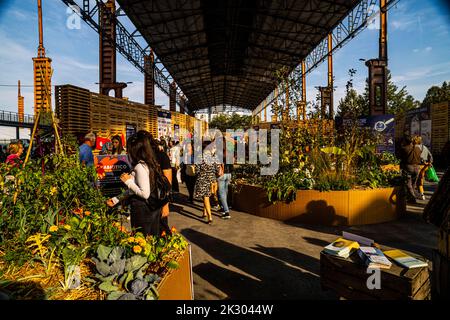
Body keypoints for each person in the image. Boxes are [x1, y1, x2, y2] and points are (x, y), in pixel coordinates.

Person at [106, 134, 168, 236]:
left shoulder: (140, 167)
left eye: (129, 148)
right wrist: (117, 199)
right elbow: (134, 189)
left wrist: (128, 181)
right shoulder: (148, 163)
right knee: (150, 241)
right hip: (151, 209)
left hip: (143, 211)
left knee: (141, 241)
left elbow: (144, 193)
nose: (127, 151)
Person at [136, 130, 172, 232]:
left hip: (159, 202)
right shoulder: (140, 157)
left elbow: (167, 183)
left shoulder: (161, 156)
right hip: (143, 205)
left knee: (162, 232)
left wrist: (165, 205)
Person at [194, 141, 221, 224]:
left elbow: (197, 170)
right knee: (206, 197)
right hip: (212, 179)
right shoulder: (214, 157)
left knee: (205, 197)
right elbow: (217, 169)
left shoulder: (199, 157)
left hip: (202, 180)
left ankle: (210, 217)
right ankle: (205, 213)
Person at [399, 135, 422, 203]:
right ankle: (410, 197)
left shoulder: (404, 148)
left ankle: (412, 198)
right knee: (413, 184)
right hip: (417, 167)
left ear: (405, 141)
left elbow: (400, 157)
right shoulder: (418, 148)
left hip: (408, 167)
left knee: (408, 184)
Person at [217, 137, 234, 219]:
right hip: (229, 174)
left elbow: (220, 163)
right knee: (225, 192)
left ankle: (226, 212)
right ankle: (224, 208)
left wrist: (221, 171)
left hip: (222, 174)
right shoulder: (229, 150)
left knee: (221, 193)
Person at [413, 136, 434, 200]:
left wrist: (423, 161)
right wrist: (429, 162)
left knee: (414, 180)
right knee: (420, 180)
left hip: (418, 166)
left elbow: (419, 157)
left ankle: (414, 195)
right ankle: (422, 194)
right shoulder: (425, 147)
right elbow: (430, 156)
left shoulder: (415, 147)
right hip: (425, 167)